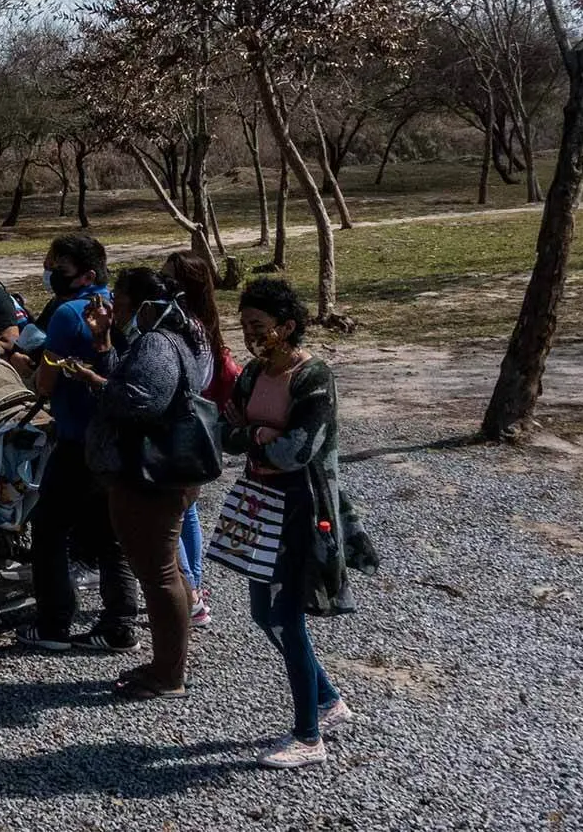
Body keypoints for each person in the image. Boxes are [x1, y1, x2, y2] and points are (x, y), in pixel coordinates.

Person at [224, 276, 368, 770]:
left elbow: (298, 450)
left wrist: (255, 435)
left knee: (288, 616)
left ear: (286, 328)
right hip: (259, 506)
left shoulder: (314, 377)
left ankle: (308, 738)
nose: (249, 335)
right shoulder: (250, 374)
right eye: (244, 325)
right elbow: (226, 432)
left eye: (258, 326)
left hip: (302, 510)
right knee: (263, 614)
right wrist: (256, 436)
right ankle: (328, 701)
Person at [74, 266, 212, 699]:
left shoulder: (157, 341)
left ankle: (168, 673)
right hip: (157, 475)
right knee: (163, 568)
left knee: (159, 573)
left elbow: (141, 400)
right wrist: (105, 346)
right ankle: (166, 663)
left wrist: (95, 381)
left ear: (143, 304)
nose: (115, 303)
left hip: (151, 477)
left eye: (120, 295)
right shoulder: (167, 337)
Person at [19, 232, 139, 654]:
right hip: (117, 440)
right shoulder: (122, 307)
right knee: (110, 534)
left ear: (86, 274)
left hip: (77, 441)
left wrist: (41, 373)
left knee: (48, 527)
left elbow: (46, 382)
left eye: (59, 270)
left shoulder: (69, 314)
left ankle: (54, 621)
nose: (51, 275)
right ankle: (120, 622)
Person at [161, 251, 236, 629]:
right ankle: (196, 586)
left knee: (169, 513)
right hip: (199, 429)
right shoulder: (205, 325)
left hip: (180, 430)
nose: (162, 285)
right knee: (187, 510)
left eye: (168, 279)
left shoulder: (182, 328)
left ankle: (189, 595)